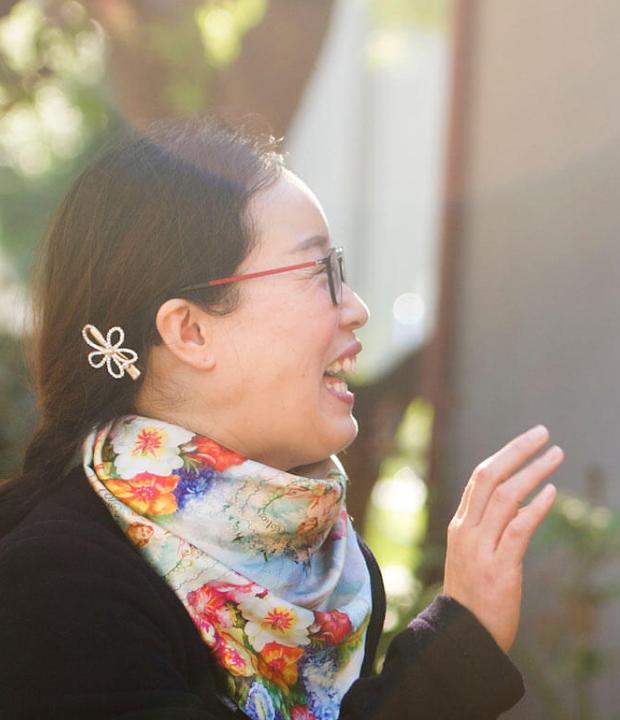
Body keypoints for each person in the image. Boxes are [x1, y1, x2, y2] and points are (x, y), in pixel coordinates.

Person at [0, 121, 561, 719]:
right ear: (190, 331)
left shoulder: (333, 565)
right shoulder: (57, 588)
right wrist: (453, 652)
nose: (357, 309)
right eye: (319, 274)